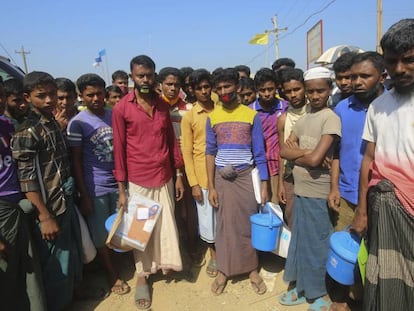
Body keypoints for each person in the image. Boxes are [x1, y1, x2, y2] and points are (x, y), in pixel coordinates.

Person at [112, 55, 184, 310]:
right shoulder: (122, 108)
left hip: (164, 175)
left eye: (149, 75)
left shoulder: (163, 106)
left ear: (155, 76)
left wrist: (178, 175)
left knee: (165, 225)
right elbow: (118, 149)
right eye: (140, 75)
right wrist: (121, 189)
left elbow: (172, 143)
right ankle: (143, 275)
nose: (145, 80)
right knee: (140, 229)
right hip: (139, 178)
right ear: (132, 77)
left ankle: (163, 264)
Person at [351, 18, 414, 311]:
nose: (400, 69)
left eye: (409, 60)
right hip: (386, 209)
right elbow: (368, 160)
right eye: (392, 61)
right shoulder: (378, 107)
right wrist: (362, 211)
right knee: (386, 281)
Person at [11, 71, 83, 311]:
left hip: (64, 198)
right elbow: (27, 180)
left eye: (52, 94)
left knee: (70, 253)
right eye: (41, 96)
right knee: (55, 263)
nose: (50, 100)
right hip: (49, 206)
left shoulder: (51, 122)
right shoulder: (26, 131)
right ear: (27, 97)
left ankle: (73, 296)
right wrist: (45, 216)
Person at [278, 67, 341, 310]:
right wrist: (306, 153)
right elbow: (285, 152)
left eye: (320, 91)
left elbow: (319, 161)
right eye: (311, 91)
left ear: (329, 90)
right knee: (301, 241)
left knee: (317, 243)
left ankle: (319, 293)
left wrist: (300, 155)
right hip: (301, 189)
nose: (315, 96)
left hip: (318, 191)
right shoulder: (303, 119)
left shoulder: (330, 118)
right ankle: (302, 287)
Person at [327, 51, 386, 309]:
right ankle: (347, 299)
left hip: (382, 198)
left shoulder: (391, 109)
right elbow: (337, 152)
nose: (357, 82)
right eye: (353, 77)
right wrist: (333, 187)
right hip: (348, 194)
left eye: (364, 76)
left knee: (377, 256)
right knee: (348, 254)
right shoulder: (342, 108)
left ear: (381, 77)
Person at [206, 68, 268, 296]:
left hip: (245, 177)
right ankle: (224, 269)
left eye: (228, 87)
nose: (223, 92)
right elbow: (210, 152)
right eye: (219, 88)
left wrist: (264, 182)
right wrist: (211, 185)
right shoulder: (213, 116)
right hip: (222, 179)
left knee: (246, 224)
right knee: (223, 226)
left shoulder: (251, 116)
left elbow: (259, 152)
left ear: (237, 87)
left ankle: (251, 269)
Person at [67, 74, 130, 296]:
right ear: (81, 96)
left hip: (118, 183)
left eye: (99, 93)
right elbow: (75, 161)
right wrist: (84, 195)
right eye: (90, 95)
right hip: (95, 187)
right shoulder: (78, 123)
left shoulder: (114, 115)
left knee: (120, 229)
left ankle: (121, 264)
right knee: (100, 234)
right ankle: (112, 273)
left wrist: (123, 184)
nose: (96, 98)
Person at [0, 82, 46, 310]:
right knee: (7, 277)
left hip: (17, 203)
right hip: (2, 212)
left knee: (27, 271)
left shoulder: (7, 126)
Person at [158, 66, 199, 265]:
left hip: (186, 165)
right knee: (170, 209)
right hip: (164, 166)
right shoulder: (156, 108)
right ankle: (176, 247)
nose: (173, 88)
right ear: (161, 85)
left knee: (188, 208)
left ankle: (191, 244)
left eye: (176, 85)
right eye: (169, 84)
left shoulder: (189, 109)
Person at [180, 69, 218, 278]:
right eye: (199, 88)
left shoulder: (221, 109)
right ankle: (214, 254)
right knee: (207, 219)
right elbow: (186, 151)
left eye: (206, 87)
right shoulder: (190, 117)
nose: (204, 91)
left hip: (223, 172)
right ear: (192, 91)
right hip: (202, 175)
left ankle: (228, 251)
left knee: (224, 216)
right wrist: (193, 183)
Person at [249, 68, 288, 203]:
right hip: (257, 169)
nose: (267, 94)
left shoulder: (285, 107)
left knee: (280, 209)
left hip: (280, 168)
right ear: (257, 90)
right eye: (262, 90)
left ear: (276, 87)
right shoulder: (250, 111)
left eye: (270, 89)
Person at [277, 68, 309, 227]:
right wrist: (281, 184)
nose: (293, 95)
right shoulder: (283, 119)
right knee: (292, 217)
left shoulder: (315, 113)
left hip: (313, 175)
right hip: (291, 176)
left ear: (305, 88)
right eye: (288, 91)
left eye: (297, 89)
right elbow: (282, 154)